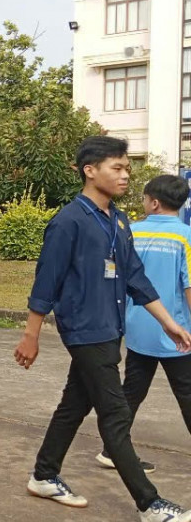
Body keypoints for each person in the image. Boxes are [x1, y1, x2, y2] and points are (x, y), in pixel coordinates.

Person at [16, 136, 191, 522]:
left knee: (74, 404)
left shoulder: (118, 220)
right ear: (90, 170)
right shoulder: (69, 222)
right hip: (84, 329)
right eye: (117, 167)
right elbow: (46, 282)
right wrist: (31, 335)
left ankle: (44, 475)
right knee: (114, 414)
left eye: (127, 168)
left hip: (110, 327)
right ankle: (150, 504)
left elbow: (135, 277)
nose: (126, 175)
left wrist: (168, 322)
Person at [93, 175, 191, 472]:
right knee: (187, 393)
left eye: (145, 198)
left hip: (137, 328)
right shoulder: (185, 237)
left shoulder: (130, 232)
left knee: (131, 392)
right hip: (176, 332)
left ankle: (111, 450)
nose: (143, 202)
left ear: (155, 203)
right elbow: (189, 287)